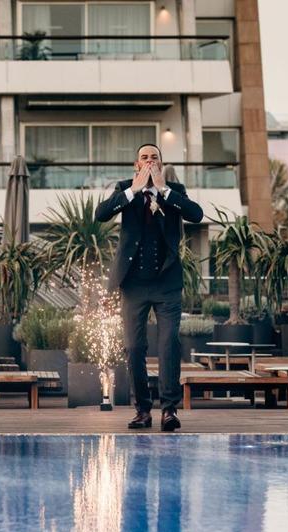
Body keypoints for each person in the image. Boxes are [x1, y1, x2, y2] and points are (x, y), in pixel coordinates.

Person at [95, 143, 203, 431]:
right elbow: (100, 214)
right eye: (144, 157)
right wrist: (133, 190)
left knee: (168, 345)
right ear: (136, 164)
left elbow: (196, 214)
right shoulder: (123, 188)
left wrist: (164, 191)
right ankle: (142, 410)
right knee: (134, 347)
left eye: (154, 157)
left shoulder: (175, 190)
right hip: (133, 284)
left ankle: (169, 410)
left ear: (161, 164)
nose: (149, 161)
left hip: (167, 283)